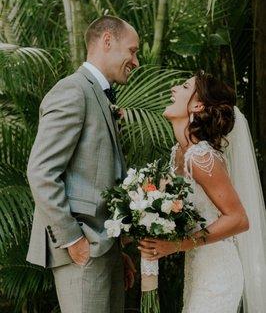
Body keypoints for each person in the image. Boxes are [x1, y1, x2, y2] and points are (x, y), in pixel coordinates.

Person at [27, 16, 139, 313]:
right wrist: (74, 240)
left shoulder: (99, 94)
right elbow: (41, 172)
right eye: (132, 50)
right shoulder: (73, 91)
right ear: (106, 40)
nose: (135, 61)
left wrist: (116, 251)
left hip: (105, 250)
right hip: (83, 250)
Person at [139, 71, 266, 312]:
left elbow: (238, 219)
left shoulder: (201, 156)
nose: (173, 89)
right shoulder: (178, 152)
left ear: (197, 105)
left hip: (218, 273)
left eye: (184, 87)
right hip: (198, 267)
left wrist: (177, 245)